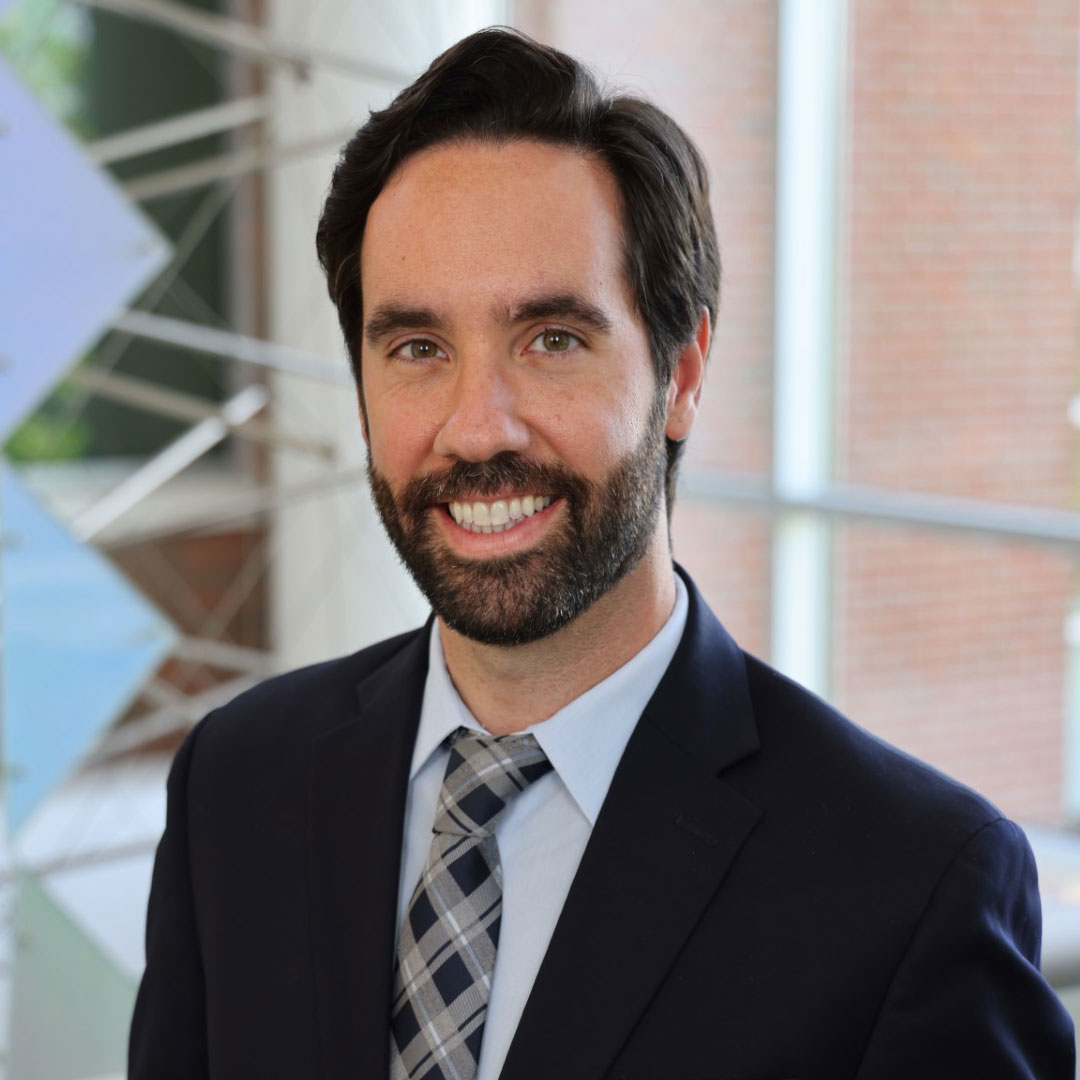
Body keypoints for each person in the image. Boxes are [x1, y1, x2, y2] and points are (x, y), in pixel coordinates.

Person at [128, 27, 1074, 1080]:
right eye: (418, 349)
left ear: (685, 371)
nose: (477, 428)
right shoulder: (236, 784)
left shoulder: (913, 886)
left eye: (553, 340)